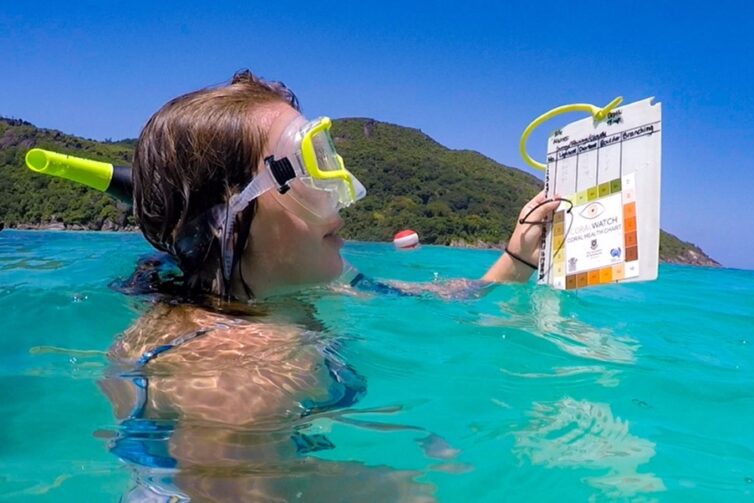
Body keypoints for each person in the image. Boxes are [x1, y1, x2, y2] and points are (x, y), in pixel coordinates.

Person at [98, 69, 558, 501]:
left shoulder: (284, 297)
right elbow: (233, 490)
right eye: (307, 167)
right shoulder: (233, 372)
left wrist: (515, 259)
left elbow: (426, 298)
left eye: (326, 158)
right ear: (232, 210)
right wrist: (411, 488)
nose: (338, 189)